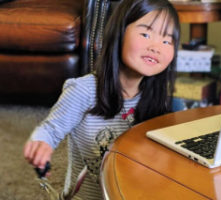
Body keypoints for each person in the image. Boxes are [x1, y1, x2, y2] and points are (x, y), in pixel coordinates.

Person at [23, 0, 180, 199]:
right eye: (146, 34)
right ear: (118, 34)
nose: (156, 46)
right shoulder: (83, 90)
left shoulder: (160, 97)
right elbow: (51, 129)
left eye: (167, 41)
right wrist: (41, 143)